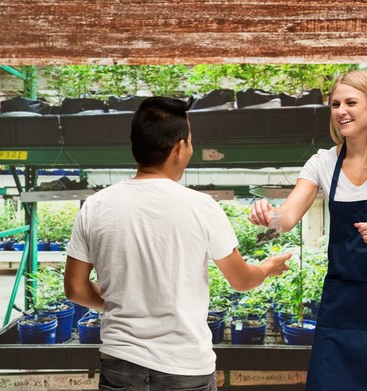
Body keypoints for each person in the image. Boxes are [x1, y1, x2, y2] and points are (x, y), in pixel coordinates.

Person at [64, 96, 291, 391]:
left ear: (134, 145)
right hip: (185, 368)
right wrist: (266, 268)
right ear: (179, 148)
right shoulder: (201, 206)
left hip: (121, 364)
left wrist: (123, 303)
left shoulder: (96, 206)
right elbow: (241, 280)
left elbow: (75, 289)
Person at [249, 70, 367, 390]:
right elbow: (288, 216)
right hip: (343, 303)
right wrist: (268, 216)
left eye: (350, 102)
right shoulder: (322, 163)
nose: (341, 111)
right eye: (335, 103)